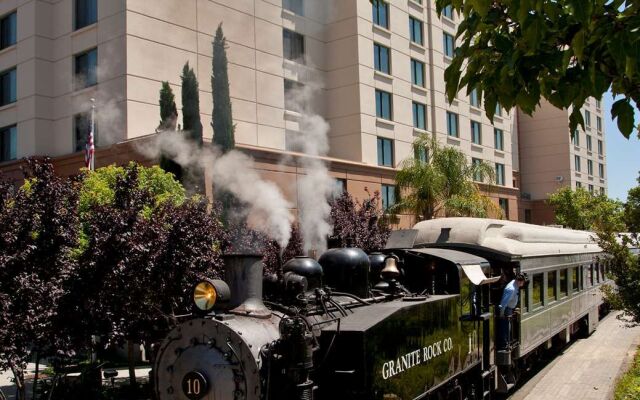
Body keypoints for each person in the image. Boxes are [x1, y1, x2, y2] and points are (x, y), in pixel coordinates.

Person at [498, 273, 526, 349]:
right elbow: (504, 303)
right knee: (506, 327)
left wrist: (514, 308)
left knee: (507, 327)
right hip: (506, 309)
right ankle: (504, 344)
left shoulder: (515, 284)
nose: (523, 283)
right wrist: (501, 313)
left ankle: (505, 342)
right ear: (519, 281)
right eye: (523, 282)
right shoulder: (511, 289)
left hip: (509, 308)